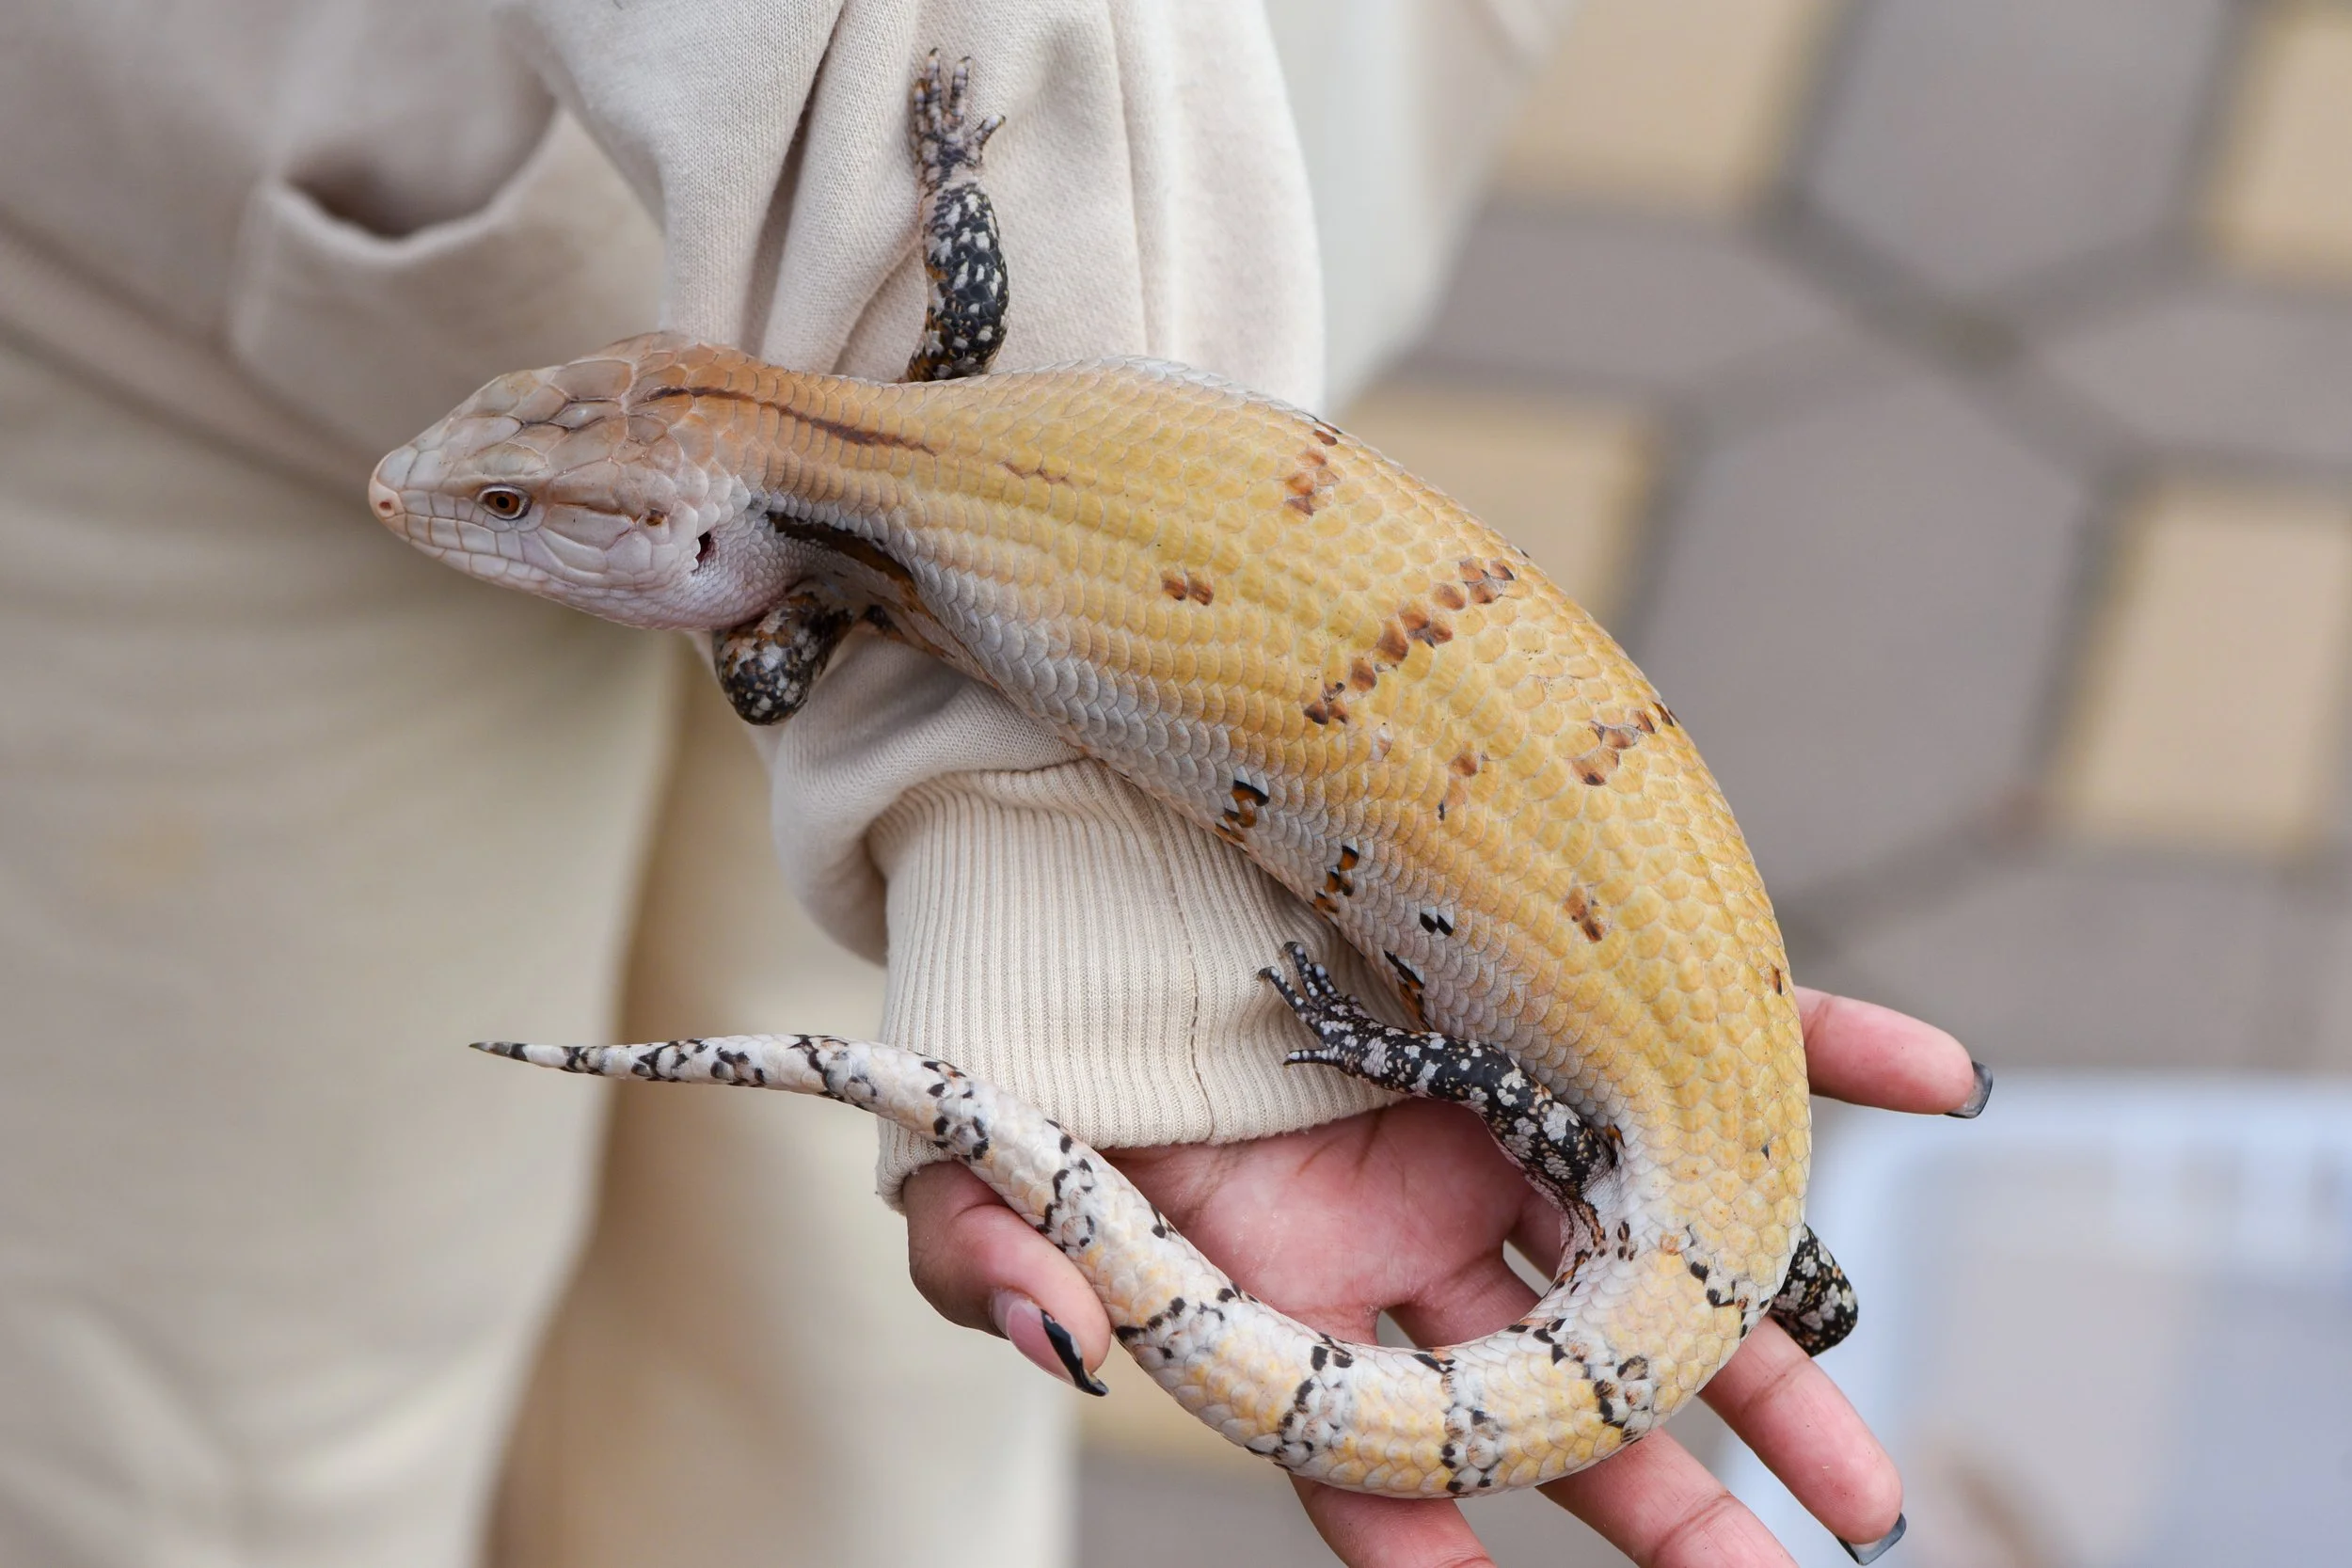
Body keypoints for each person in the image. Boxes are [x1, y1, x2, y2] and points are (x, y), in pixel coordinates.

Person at [0, 4, 1976, 1564]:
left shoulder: (832, 545)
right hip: (179, 254)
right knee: (241, 1420)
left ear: (701, 533)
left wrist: (1292, 1010)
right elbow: (939, 351)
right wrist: (948, 138)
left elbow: (792, 635)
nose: (445, 505)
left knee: (817, 1381)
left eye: (515, 503)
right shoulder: (898, 436)